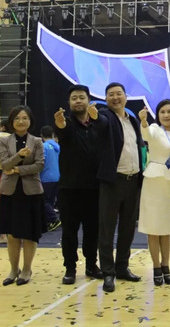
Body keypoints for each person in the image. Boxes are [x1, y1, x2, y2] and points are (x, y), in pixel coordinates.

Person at [90, 82, 144, 293]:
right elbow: (100, 123)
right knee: (107, 229)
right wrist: (94, 117)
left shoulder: (133, 120)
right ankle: (108, 272)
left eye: (118, 93)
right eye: (110, 94)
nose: (115, 97)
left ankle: (122, 267)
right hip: (113, 182)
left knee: (128, 229)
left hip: (133, 180)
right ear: (105, 99)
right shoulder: (106, 116)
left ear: (126, 97)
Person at [53, 84, 104, 285]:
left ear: (89, 100)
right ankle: (70, 268)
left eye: (81, 97)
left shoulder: (98, 124)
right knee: (69, 232)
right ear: (69, 102)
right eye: (74, 98)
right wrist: (60, 125)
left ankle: (91, 265)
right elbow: (62, 131)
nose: (78, 101)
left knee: (92, 231)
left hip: (94, 189)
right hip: (70, 189)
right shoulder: (65, 124)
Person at [0, 106, 45, 286]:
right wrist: (19, 155)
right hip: (10, 192)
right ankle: (13, 269)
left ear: (30, 121)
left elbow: (39, 165)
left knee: (30, 235)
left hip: (31, 192)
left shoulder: (37, 141)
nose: (21, 121)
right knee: (12, 235)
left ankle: (26, 269)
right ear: (11, 121)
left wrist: (16, 169)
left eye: (25, 118)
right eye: (17, 118)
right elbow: (4, 164)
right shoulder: (3, 141)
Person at [137, 100, 170, 286]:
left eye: (169, 111)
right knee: (153, 227)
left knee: (166, 228)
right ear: (158, 114)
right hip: (154, 182)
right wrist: (143, 121)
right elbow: (146, 134)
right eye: (162, 111)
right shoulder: (155, 129)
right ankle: (156, 266)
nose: (166, 115)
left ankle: (166, 266)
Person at [40, 126, 61, 231]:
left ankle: (53, 219)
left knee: (43, 201)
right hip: (57, 177)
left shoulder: (44, 147)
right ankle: (48, 222)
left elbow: (42, 162)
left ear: (41, 135)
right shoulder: (58, 147)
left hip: (46, 177)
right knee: (51, 201)